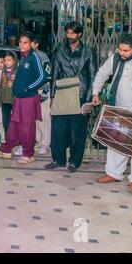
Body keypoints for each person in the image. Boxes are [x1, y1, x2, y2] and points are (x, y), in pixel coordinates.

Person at [92, 34, 132, 193]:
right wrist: (95, 93)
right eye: (120, 49)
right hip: (119, 110)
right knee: (116, 143)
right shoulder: (115, 59)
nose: (121, 53)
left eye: (125, 50)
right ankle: (113, 173)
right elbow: (101, 74)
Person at [45, 21, 97, 173]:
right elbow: (54, 73)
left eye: (73, 33)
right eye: (68, 33)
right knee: (58, 129)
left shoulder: (88, 51)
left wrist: (88, 99)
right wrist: (52, 96)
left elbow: (93, 75)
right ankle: (58, 159)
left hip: (81, 94)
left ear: (80, 34)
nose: (70, 36)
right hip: (62, 93)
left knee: (77, 132)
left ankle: (75, 162)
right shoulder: (59, 50)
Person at [0, 32, 47, 164]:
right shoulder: (22, 57)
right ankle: (7, 149)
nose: (21, 45)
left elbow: (43, 77)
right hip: (19, 98)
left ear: (31, 44)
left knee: (27, 127)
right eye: (20, 42)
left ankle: (29, 154)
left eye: (25, 42)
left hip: (29, 98)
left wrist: (28, 88)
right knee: (14, 125)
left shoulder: (33, 57)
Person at [0, 51, 17, 156]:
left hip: (15, 101)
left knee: (14, 123)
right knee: (5, 123)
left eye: (8, 60)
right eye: (4, 60)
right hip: (4, 100)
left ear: (14, 61)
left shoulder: (17, 71)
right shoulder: (2, 72)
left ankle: (15, 145)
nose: (6, 63)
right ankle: (6, 145)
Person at [32, 37, 52, 155]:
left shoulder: (42, 56)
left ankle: (45, 144)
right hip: (32, 93)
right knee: (35, 120)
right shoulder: (26, 57)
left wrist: (44, 93)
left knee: (44, 119)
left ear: (36, 44)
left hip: (42, 92)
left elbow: (48, 75)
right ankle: (38, 142)